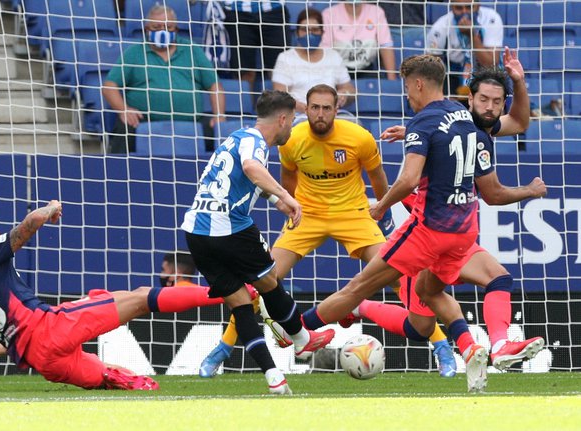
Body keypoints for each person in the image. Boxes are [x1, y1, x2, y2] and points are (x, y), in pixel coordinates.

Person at [199, 83, 456, 378]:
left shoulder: (358, 137)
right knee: (262, 282)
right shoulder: (292, 139)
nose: (320, 114)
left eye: (326, 108)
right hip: (308, 215)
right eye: (314, 108)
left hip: (354, 214)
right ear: (305, 109)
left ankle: (441, 346)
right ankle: (223, 349)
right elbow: (288, 179)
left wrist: (383, 212)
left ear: (337, 110)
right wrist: (290, 209)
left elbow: (378, 177)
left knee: (399, 274)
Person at [296, 54, 512, 392]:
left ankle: (294, 327)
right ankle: (474, 347)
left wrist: (381, 205)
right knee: (424, 310)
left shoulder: (429, 128)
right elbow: (512, 129)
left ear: (418, 83)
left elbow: (409, 178)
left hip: (430, 234)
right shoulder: (461, 122)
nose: (406, 94)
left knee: (413, 317)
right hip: (449, 231)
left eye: (407, 86)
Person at [368, 48, 545, 371]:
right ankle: (357, 309)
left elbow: (519, 122)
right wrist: (530, 191)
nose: (490, 108)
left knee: (492, 282)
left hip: (453, 233)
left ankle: (492, 346)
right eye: (483, 100)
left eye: (496, 101)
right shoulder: (449, 125)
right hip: (424, 234)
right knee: (419, 325)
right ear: (469, 99)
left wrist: (519, 82)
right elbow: (488, 192)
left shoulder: (480, 128)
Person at [0, 201, 230, 391]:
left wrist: (12, 340)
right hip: (52, 329)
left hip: (43, 362)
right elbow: (32, 221)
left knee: (124, 379)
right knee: (140, 298)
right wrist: (52, 208)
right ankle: (229, 291)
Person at [181, 90, 335, 395]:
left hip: (196, 231)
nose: (292, 127)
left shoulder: (234, 137)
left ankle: (274, 378)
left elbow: (238, 178)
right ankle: (302, 339)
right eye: (292, 120)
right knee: (269, 281)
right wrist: (286, 196)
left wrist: (272, 198)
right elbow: (251, 168)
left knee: (240, 304)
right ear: (281, 119)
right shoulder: (256, 142)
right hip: (230, 228)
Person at [102, 4, 226, 153]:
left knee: (220, 130)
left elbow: (214, 85)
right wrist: (124, 110)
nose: (163, 31)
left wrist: (219, 115)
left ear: (177, 29)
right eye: (156, 27)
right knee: (124, 127)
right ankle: (120, 173)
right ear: (147, 29)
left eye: (168, 27)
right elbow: (109, 86)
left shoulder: (192, 50)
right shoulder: (134, 52)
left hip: (192, 120)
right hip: (143, 121)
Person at [272, 8, 356, 113]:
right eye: (304, 30)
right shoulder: (285, 58)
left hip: (332, 116)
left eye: (315, 30)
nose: (310, 34)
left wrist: (345, 93)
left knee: (355, 124)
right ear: (296, 33)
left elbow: (351, 90)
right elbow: (279, 96)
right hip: (299, 117)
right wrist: (308, 110)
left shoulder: (333, 56)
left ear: (322, 32)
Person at [426, 0, 504, 98]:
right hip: (453, 73)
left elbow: (491, 64)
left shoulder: (491, 18)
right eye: (459, 8)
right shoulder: (440, 27)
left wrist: (472, 35)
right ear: (452, 7)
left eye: (469, 7)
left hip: (484, 71)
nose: (465, 13)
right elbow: (430, 69)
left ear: (478, 6)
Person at [320, 0, 397, 80]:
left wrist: (392, 80)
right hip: (338, 72)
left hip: (367, 70)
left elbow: (386, 46)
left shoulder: (377, 12)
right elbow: (326, 51)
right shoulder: (328, 14)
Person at [222, 1, 291, 89]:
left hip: (274, 8)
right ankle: (244, 102)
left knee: (280, 71)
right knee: (244, 72)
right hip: (236, 10)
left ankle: (281, 103)